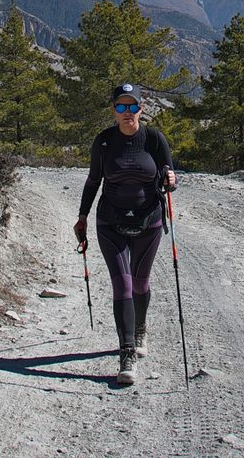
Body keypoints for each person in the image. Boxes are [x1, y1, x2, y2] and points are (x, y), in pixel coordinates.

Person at [73, 82, 177, 386]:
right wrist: (82, 216)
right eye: (121, 106)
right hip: (110, 222)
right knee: (123, 284)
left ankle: (140, 328)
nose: (127, 112)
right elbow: (93, 181)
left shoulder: (155, 140)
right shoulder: (104, 142)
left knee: (141, 281)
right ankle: (127, 352)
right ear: (114, 110)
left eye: (133, 106)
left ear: (142, 109)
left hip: (150, 221)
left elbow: (169, 178)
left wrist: (171, 179)